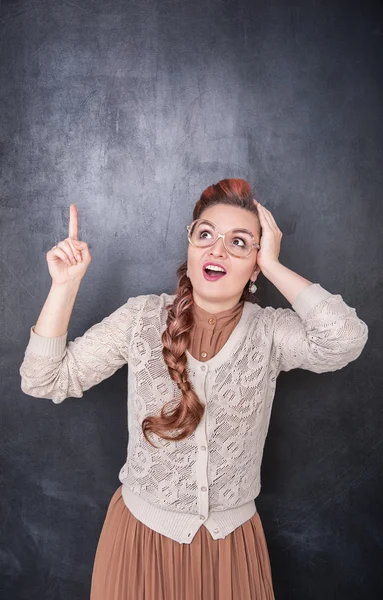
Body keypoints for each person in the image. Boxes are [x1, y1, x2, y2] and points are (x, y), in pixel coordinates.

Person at [19, 178, 369, 599]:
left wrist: (275, 265)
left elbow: (345, 339)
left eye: (239, 242)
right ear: (190, 245)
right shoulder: (141, 318)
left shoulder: (271, 332)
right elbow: (44, 379)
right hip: (140, 547)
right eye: (205, 234)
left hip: (231, 551)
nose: (217, 249)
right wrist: (64, 285)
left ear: (256, 263)